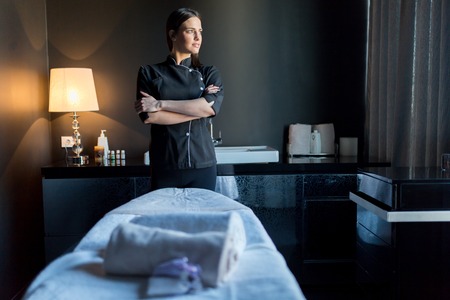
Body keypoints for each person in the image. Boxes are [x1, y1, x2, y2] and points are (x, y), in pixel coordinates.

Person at [135, 7, 224, 191]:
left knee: (202, 220)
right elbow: (151, 117)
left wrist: (160, 104)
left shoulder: (208, 73)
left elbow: (209, 109)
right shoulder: (149, 72)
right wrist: (198, 109)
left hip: (203, 164)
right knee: (164, 220)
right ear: (173, 35)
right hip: (165, 164)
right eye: (191, 31)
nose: (198, 38)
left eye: (200, 31)